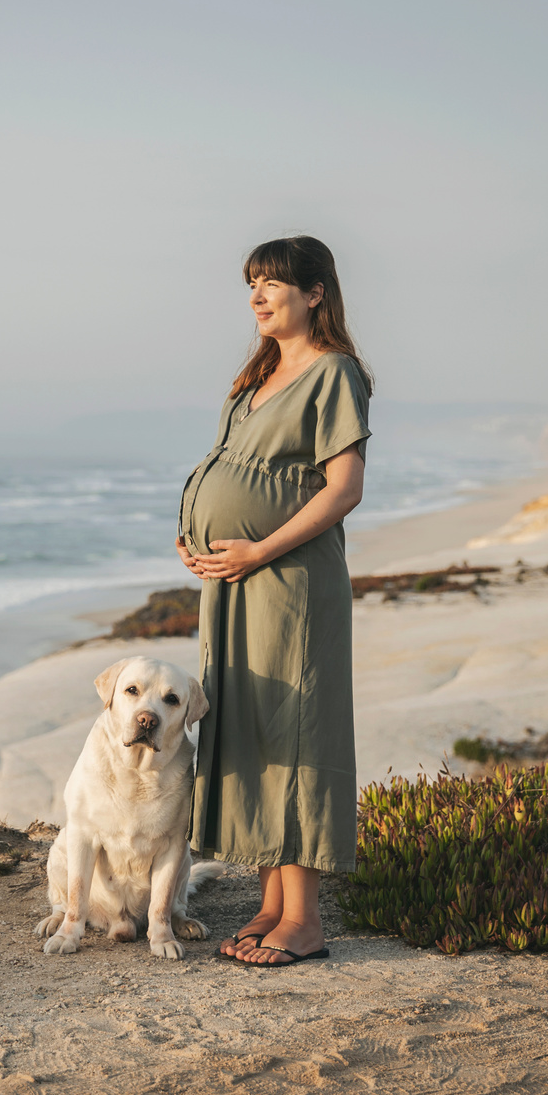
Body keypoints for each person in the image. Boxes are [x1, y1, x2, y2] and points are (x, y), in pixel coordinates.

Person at [175, 235, 371, 967]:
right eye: (252, 284)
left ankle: (307, 920)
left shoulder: (334, 374)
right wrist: (198, 533)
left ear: (315, 293)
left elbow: (344, 489)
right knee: (248, 726)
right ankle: (272, 904)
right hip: (232, 584)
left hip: (290, 583)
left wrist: (257, 548)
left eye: (273, 284)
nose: (257, 296)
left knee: (296, 733)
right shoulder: (255, 375)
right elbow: (229, 470)